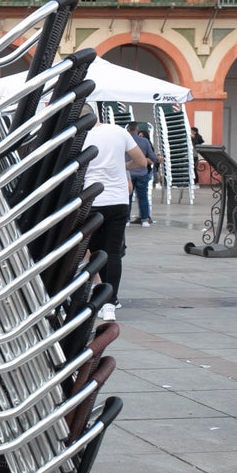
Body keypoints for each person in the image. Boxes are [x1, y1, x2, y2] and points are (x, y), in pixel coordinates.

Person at [82, 104, 146, 322]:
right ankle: (110, 303)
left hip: (92, 200)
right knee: (113, 252)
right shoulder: (119, 131)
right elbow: (141, 162)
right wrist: (121, 166)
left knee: (93, 251)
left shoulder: (79, 136)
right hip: (119, 201)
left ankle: (99, 294)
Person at [125, 122, 159, 227]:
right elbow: (152, 157)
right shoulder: (144, 141)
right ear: (137, 130)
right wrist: (156, 159)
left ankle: (126, 220)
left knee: (127, 197)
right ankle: (144, 220)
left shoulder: (124, 140)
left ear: (128, 130)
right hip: (142, 173)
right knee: (143, 197)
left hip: (128, 173)